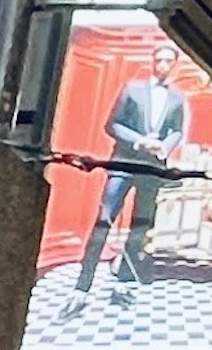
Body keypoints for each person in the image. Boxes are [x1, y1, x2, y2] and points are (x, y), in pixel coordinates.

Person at [77, 59, 190, 293]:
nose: (164, 65)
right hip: (124, 162)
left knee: (141, 224)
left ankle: (126, 277)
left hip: (152, 167)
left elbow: (177, 130)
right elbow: (112, 125)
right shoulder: (132, 89)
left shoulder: (177, 98)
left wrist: (164, 146)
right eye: (161, 60)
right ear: (153, 62)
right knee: (104, 218)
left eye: (169, 61)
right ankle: (84, 281)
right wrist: (140, 141)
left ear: (174, 66)